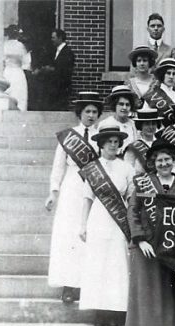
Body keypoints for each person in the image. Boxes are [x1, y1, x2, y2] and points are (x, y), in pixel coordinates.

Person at [124, 139, 175, 326]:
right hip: (146, 249)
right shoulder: (142, 182)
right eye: (159, 160)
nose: (164, 163)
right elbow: (132, 211)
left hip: (171, 250)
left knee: (168, 296)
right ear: (153, 162)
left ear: (174, 161)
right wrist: (140, 240)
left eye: (167, 159)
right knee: (146, 295)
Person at [45, 91, 102, 303]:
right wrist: (53, 192)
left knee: (89, 235)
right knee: (69, 236)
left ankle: (85, 283)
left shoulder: (100, 138)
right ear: (80, 113)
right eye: (87, 111)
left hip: (93, 190)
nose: (91, 115)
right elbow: (58, 167)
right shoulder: (68, 137)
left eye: (95, 111)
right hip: (71, 189)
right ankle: (68, 285)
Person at [78, 125, 135, 326]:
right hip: (98, 219)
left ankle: (117, 312)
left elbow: (131, 198)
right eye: (108, 141)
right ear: (101, 144)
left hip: (119, 222)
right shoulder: (93, 168)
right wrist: (83, 224)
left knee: (117, 265)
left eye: (115, 141)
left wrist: (131, 226)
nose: (113, 145)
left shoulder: (127, 168)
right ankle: (100, 312)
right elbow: (87, 198)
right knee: (98, 265)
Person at [99, 85, 139, 154]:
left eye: (127, 105)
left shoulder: (133, 124)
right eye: (121, 104)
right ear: (114, 105)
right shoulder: (105, 123)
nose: (124, 107)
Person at [124, 106, 163, 174]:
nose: (151, 127)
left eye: (153, 123)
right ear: (140, 125)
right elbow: (127, 170)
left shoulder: (162, 143)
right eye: (147, 124)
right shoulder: (134, 147)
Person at [148, 58, 175, 126]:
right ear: (162, 74)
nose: (171, 76)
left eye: (174, 74)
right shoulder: (152, 95)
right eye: (168, 73)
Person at [47, 29, 75, 110]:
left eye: (53, 38)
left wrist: (51, 69)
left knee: (60, 108)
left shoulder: (67, 53)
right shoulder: (56, 51)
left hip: (61, 87)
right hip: (56, 87)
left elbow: (65, 71)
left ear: (60, 38)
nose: (52, 40)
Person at [3, 24, 28, 111]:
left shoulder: (4, 45)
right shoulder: (20, 46)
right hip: (18, 73)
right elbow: (26, 62)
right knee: (18, 94)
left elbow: (1, 60)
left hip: (7, 72)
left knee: (7, 93)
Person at [125, 46, 158, 110]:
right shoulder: (129, 84)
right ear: (135, 63)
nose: (142, 63)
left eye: (145, 60)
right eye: (139, 61)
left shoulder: (156, 82)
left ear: (150, 63)